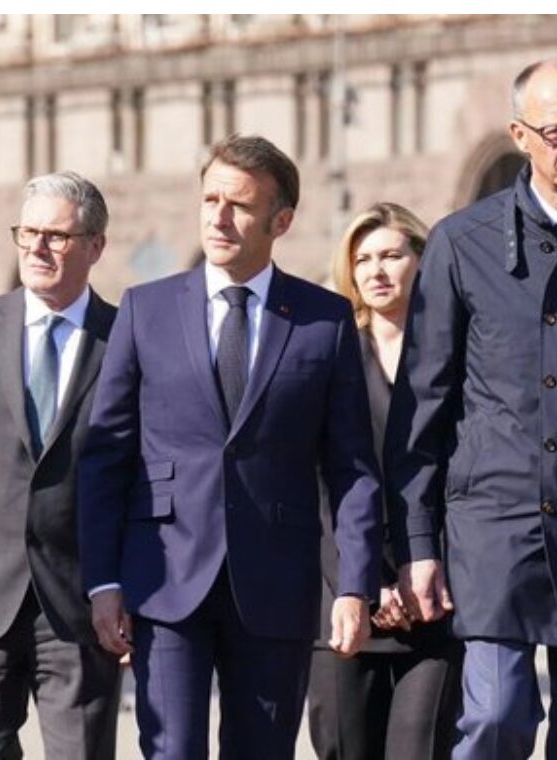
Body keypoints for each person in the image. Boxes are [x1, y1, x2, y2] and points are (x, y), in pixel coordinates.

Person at [78, 133, 383, 759]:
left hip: (277, 581)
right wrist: (102, 580)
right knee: (172, 750)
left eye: (238, 205)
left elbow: (351, 467)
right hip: (165, 577)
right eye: (209, 200)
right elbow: (106, 456)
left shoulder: (324, 321)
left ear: (281, 221)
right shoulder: (145, 309)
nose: (218, 218)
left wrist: (354, 586)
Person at [385, 58, 557, 759]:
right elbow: (422, 406)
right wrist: (418, 545)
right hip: (495, 529)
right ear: (520, 135)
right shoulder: (461, 243)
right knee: (497, 717)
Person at [0, 170, 121, 759]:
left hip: (81, 600)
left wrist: (124, 583)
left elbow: (146, 472)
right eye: (27, 233)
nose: (37, 248)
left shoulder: (127, 338)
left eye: (56, 236)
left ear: (95, 246)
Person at [307, 203, 462, 760]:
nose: (375, 270)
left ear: (423, 260)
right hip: (345, 597)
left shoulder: (460, 356)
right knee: (343, 748)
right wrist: (366, 582)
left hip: (437, 601)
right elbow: (319, 484)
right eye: (363, 259)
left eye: (391, 255)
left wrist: (427, 567)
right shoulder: (329, 355)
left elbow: (466, 477)